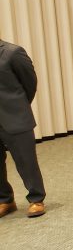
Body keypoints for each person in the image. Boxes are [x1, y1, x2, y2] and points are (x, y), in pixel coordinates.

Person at [0, 39, 45, 219]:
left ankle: (36, 199)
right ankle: (5, 200)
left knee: (26, 161)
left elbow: (30, 83)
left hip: (15, 116)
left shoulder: (12, 52)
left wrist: (19, 106)